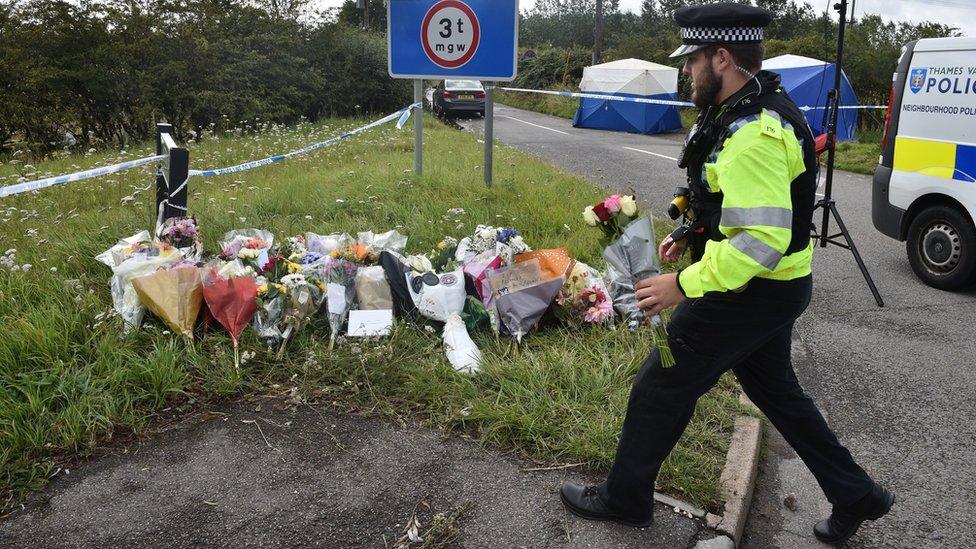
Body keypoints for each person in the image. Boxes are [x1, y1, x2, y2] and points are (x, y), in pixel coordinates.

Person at [559, 3, 893, 545]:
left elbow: (760, 241)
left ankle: (625, 499)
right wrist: (688, 232)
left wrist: (682, 285)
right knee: (776, 393)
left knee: (659, 384)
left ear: (723, 57)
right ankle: (857, 494)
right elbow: (724, 198)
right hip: (775, 288)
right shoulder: (741, 109)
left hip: (751, 290)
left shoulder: (757, 133)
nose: (686, 72)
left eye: (692, 61)